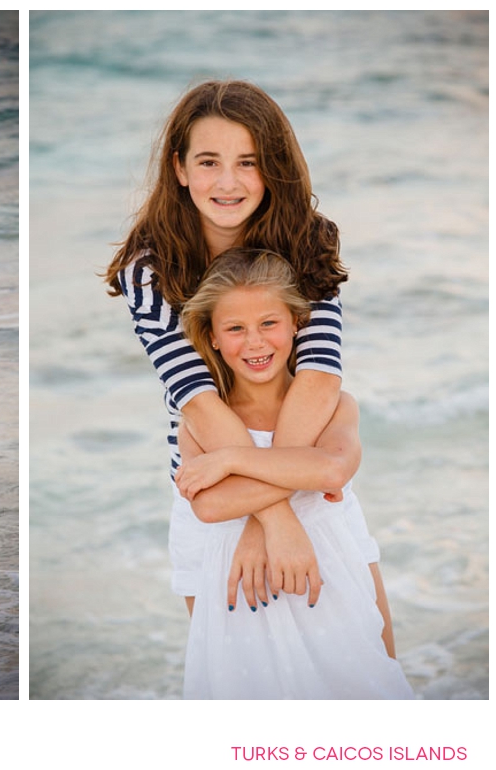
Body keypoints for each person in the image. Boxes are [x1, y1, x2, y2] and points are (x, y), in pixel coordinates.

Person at [105, 79, 347, 613]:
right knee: (225, 677)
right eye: (209, 161)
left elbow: (320, 375)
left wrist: (271, 508)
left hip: (306, 461)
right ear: (180, 168)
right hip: (212, 485)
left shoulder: (308, 237)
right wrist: (274, 518)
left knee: (368, 655)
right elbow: (196, 398)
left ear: (274, 167)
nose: (229, 182)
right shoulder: (148, 269)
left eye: (248, 161)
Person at [174, 248, 412, 698]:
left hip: (328, 572)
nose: (255, 342)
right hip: (244, 586)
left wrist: (231, 461)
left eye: (269, 323)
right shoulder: (200, 422)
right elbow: (209, 504)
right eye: (236, 329)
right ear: (214, 338)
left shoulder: (334, 405)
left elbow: (332, 470)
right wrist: (294, 472)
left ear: (297, 323)